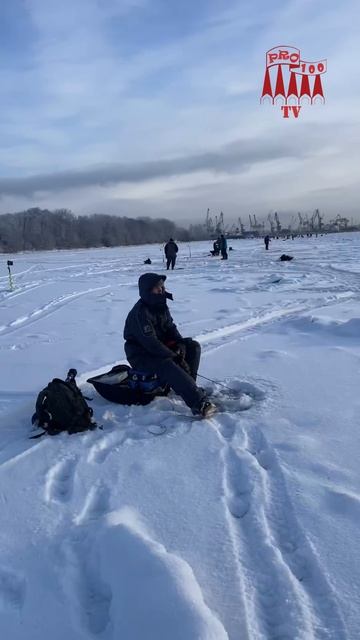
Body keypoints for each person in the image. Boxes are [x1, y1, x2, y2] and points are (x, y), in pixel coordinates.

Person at [123, 273, 217, 418]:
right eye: (157, 288)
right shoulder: (140, 314)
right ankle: (199, 403)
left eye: (162, 287)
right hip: (140, 354)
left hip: (159, 347)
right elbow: (151, 344)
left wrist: (180, 345)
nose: (161, 290)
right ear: (147, 290)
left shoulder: (160, 305)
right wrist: (174, 355)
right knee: (166, 363)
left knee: (192, 346)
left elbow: (170, 327)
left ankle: (189, 386)